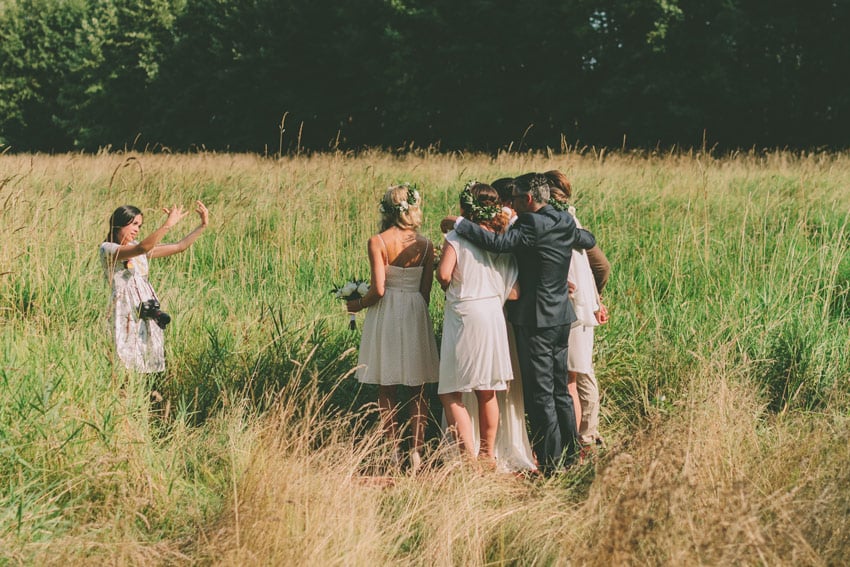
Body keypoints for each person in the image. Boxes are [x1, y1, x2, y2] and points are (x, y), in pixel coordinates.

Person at [443, 173, 596, 476]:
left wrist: (460, 226)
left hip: (536, 320)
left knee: (541, 395)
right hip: (562, 317)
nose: (509, 204)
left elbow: (498, 244)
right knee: (560, 391)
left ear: (527, 199)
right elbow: (588, 239)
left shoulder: (529, 224)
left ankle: (552, 464)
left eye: (514, 199)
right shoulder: (563, 220)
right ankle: (569, 455)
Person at [347, 184, 439, 470]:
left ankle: (392, 452)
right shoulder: (425, 246)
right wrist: (414, 310)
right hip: (415, 310)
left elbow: (379, 290)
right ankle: (417, 452)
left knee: (387, 388)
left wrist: (358, 305)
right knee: (418, 388)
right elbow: (426, 292)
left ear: (387, 209)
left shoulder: (378, 241)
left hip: (386, 314)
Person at [436, 182, 520, 467]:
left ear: (465, 208)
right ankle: (487, 455)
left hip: (465, 313)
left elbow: (444, 274)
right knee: (487, 390)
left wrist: (449, 283)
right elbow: (513, 286)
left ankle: (468, 457)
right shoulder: (500, 239)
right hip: (493, 315)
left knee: (451, 391)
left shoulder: (456, 238)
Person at [100, 202, 209, 376]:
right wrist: (168, 225)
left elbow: (179, 247)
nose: (137, 229)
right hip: (125, 313)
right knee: (126, 365)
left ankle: (146, 398)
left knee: (147, 363)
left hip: (146, 310)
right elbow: (142, 247)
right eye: (133, 224)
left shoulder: (138, 248)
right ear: (118, 224)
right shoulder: (108, 249)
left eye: (140, 226)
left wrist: (202, 226)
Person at [545, 170, 610, 455]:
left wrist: (592, 297)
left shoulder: (559, 223)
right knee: (582, 371)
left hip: (573, 306)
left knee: (574, 375)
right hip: (584, 304)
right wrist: (596, 297)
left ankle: (581, 438)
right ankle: (587, 433)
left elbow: (599, 266)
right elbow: (598, 267)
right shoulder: (571, 220)